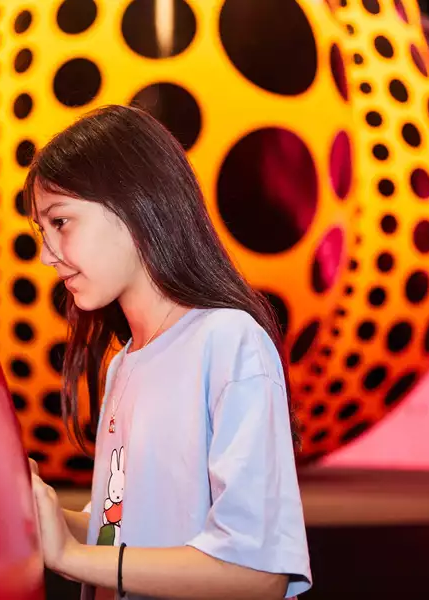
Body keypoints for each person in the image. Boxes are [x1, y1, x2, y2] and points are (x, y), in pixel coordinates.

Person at [24, 104, 312, 600]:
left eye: (61, 221)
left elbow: (256, 572)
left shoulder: (228, 342)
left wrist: (71, 556)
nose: (49, 254)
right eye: (42, 231)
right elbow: (120, 526)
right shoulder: (125, 364)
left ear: (133, 205)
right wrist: (38, 513)